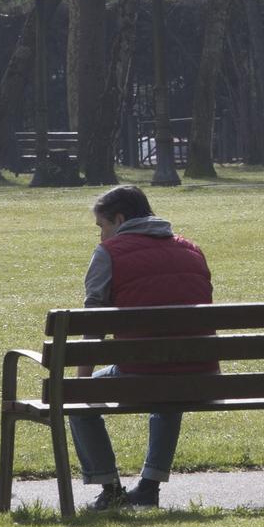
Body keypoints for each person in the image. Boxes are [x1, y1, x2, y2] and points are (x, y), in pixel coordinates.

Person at [68, 184, 214, 510]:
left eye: (102, 228)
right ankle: (148, 488)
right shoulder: (191, 249)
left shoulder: (109, 254)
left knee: (79, 402)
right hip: (201, 374)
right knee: (171, 381)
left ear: (119, 219)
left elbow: (93, 326)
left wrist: (79, 384)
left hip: (144, 372)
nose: (101, 237)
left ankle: (110, 489)